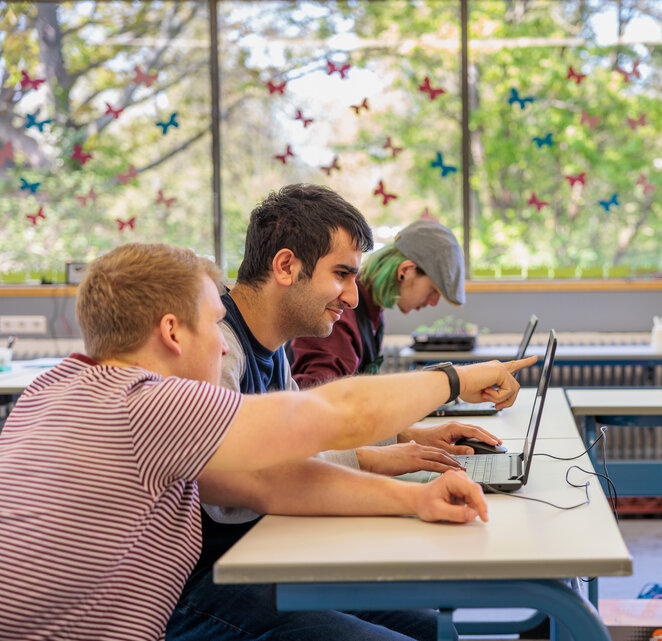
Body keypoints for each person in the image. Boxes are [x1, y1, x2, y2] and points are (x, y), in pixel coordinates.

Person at [0, 242, 532, 641]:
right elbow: (338, 413)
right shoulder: (148, 404)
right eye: (213, 325)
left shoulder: (57, 385)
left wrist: (415, 497)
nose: (223, 348)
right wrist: (457, 378)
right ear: (172, 332)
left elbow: (266, 480)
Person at [168, 184, 504, 641]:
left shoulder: (275, 346)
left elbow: (292, 451)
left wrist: (382, 465)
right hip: (203, 585)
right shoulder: (220, 350)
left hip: (259, 553)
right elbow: (248, 479)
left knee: (432, 628)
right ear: (286, 265)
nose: (351, 295)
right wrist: (448, 388)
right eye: (342, 274)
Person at [291, 218, 465, 387]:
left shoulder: (373, 312)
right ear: (406, 270)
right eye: (433, 290)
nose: (434, 302)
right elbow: (321, 397)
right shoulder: (339, 311)